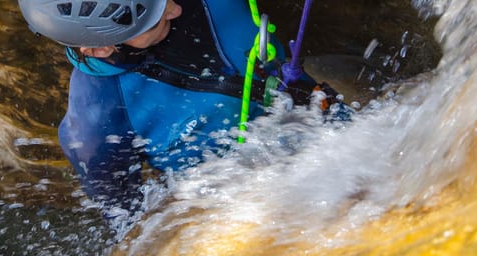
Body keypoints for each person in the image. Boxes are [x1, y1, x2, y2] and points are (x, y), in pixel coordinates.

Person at [18, 0, 341, 217]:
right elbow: (129, 221)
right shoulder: (96, 121)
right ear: (101, 48)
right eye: (154, 17)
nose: (173, 9)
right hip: (249, 202)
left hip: (335, 128)